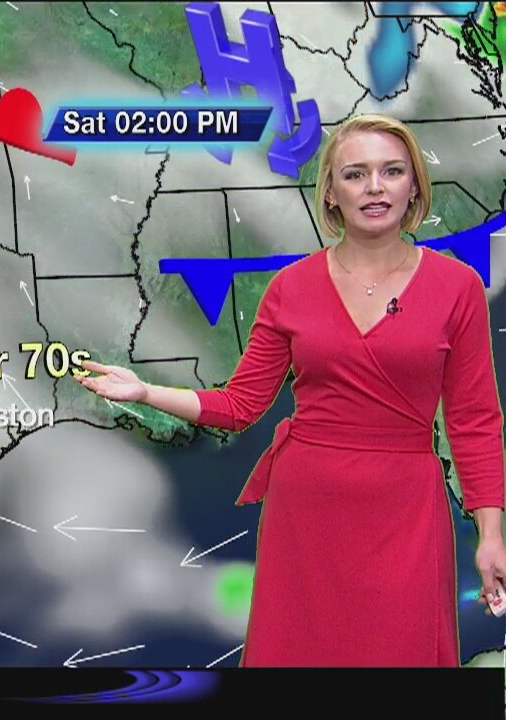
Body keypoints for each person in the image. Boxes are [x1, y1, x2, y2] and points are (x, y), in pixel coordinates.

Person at [75, 113, 506, 667]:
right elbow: (239, 405)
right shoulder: (292, 288)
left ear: (415, 186)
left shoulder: (457, 288)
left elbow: (474, 420)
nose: (375, 187)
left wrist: (491, 535)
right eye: (355, 174)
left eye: (392, 171)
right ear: (330, 193)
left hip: (406, 511)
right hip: (307, 513)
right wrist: (146, 393)